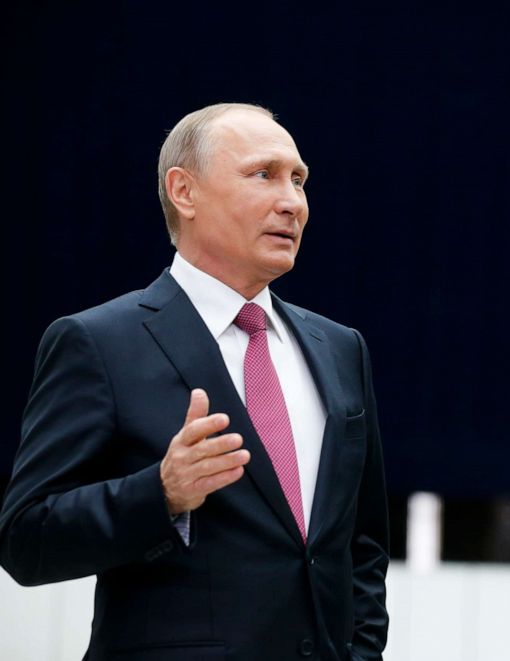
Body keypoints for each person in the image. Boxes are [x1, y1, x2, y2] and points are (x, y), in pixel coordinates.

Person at [0, 103, 389, 660]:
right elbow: (25, 539)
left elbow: (363, 546)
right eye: (264, 174)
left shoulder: (340, 348)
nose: (292, 202)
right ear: (184, 191)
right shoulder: (99, 342)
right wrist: (160, 494)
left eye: (299, 180)